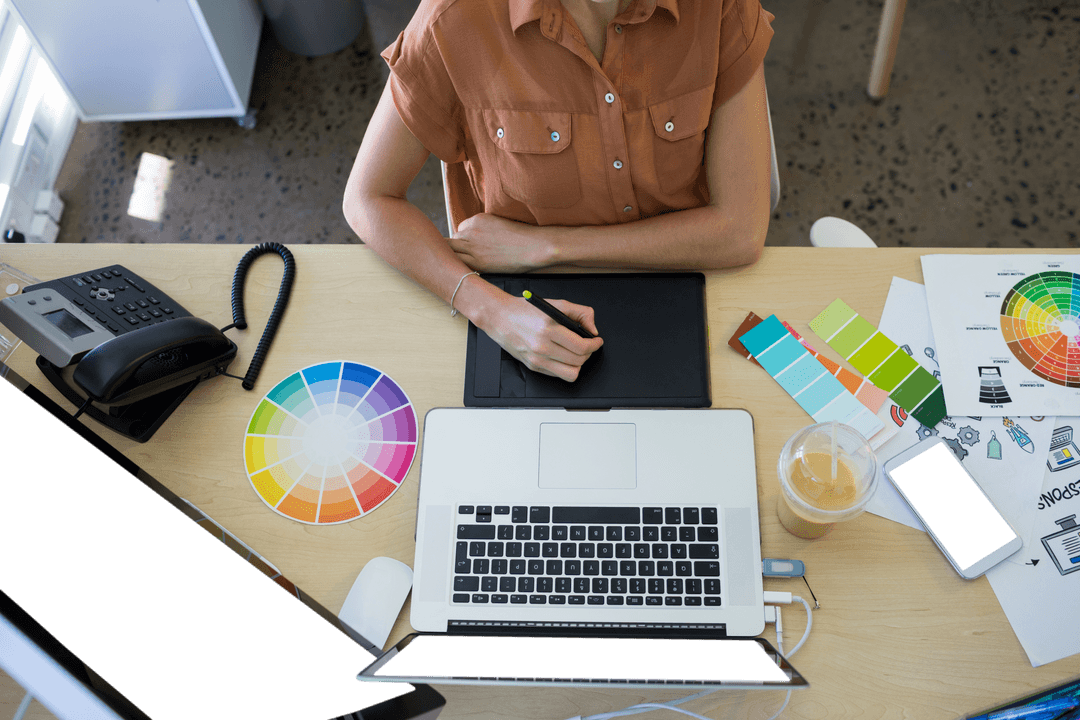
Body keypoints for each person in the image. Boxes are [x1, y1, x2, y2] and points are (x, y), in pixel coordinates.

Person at [343, 0, 775, 381]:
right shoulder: (453, 18)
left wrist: (547, 245)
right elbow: (368, 199)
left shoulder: (719, 7)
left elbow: (739, 232)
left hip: (688, 277)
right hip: (523, 304)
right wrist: (488, 308)